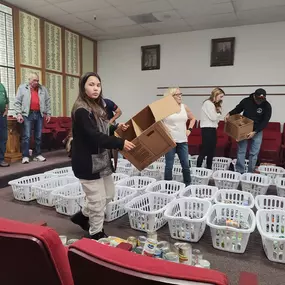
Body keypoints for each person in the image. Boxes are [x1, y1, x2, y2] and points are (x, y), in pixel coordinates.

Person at [70, 72, 135, 240]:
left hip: (101, 160)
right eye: (91, 84)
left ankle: (83, 216)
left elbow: (103, 128)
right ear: (83, 87)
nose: (95, 88)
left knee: (109, 195)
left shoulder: (98, 106)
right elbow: (93, 135)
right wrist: (120, 143)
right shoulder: (81, 110)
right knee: (97, 201)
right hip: (87, 162)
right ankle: (96, 233)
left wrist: (116, 128)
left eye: (98, 85)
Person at [225, 88, 272, 173]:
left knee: (254, 153)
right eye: (258, 100)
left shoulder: (267, 106)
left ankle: (250, 172)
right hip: (244, 128)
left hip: (257, 130)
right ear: (254, 96)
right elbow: (238, 109)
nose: (259, 102)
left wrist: (255, 132)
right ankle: (240, 171)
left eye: (261, 100)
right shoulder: (246, 101)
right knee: (241, 151)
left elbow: (265, 121)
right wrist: (229, 113)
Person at [14, 72, 51, 164]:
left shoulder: (43, 89)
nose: (37, 82)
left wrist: (48, 113)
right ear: (29, 80)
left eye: (38, 80)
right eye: (34, 80)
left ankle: (37, 154)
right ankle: (25, 156)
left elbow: (47, 102)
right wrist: (18, 113)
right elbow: (17, 102)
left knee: (38, 136)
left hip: (39, 114)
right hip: (27, 114)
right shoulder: (22, 88)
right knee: (26, 136)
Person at [163, 88, 196, 186]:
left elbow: (193, 118)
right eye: (177, 94)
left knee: (185, 165)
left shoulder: (184, 107)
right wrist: (165, 130)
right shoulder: (165, 109)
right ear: (171, 97)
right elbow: (158, 122)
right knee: (169, 165)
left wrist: (189, 129)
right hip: (170, 141)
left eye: (180, 94)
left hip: (183, 141)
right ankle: (167, 186)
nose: (180, 96)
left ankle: (188, 184)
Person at [197, 88, 225, 169]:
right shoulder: (208, 103)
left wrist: (217, 113)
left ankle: (208, 168)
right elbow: (213, 118)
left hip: (212, 129)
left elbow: (217, 120)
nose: (221, 99)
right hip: (207, 129)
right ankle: (198, 168)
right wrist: (219, 112)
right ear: (215, 95)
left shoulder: (213, 104)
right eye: (220, 96)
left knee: (211, 151)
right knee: (205, 150)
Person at [0, 82, 9, 167]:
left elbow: (6, 100)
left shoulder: (2, 86)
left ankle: (1, 159)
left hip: (2, 116)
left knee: (3, 137)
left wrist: (6, 110)